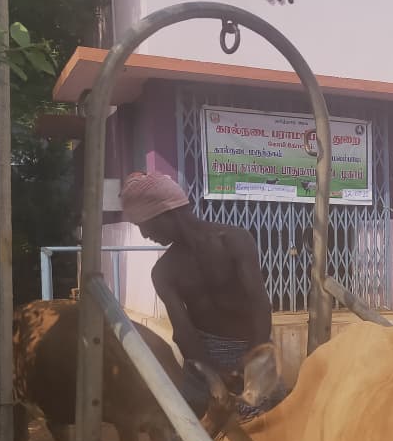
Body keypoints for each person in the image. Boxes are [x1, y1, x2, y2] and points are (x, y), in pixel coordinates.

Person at [119, 172, 278, 416]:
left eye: (144, 224)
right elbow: (183, 334)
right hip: (202, 358)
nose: (144, 235)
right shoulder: (163, 271)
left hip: (253, 345)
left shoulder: (235, 240)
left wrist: (254, 362)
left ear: (165, 213)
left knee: (265, 433)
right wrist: (214, 374)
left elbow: (259, 304)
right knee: (191, 437)